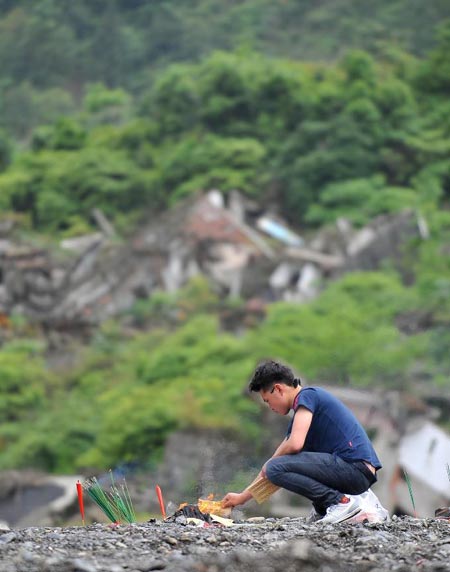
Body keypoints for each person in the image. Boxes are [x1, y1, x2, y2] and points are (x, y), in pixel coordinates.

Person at [221, 360, 382, 524]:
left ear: (278, 389)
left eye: (268, 400)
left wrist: (270, 464)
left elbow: (293, 446)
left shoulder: (308, 396)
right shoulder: (301, 417)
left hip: (355, 468)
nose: (270, 407)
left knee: (274, 466)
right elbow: (276, 469)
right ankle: (325, 509)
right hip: (358, 473)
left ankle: (339, 503)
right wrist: (242, 497)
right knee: (276, 467)